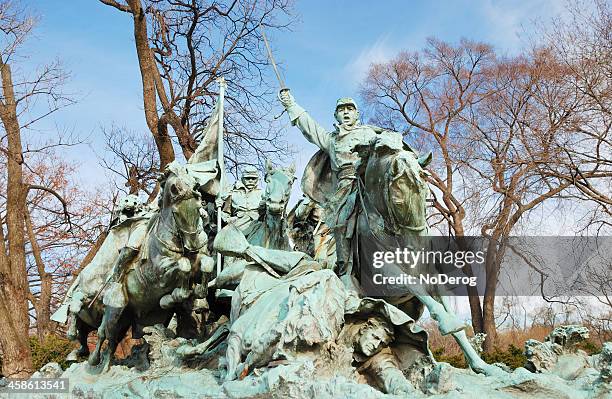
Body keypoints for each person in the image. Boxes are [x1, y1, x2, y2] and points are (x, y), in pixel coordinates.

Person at [279, 90, 396, 286]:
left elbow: (392, 145)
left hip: (370, 182)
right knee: (340, 222)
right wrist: (291, 105)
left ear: (357, 114)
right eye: (341, 110)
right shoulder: (331, 140)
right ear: (336, 115)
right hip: (345, 187)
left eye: (350, 109)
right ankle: (345, 271)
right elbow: (310, 127)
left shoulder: (370, 132)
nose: (346, 112)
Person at [337, 315, 416, 395]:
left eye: (382, 343)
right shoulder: (339, 324)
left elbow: (390, 374)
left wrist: (407, 392)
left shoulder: (380, 355)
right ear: (364, 329)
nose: (376, 346)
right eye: (375, 338)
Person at [221, 165, 263, 232]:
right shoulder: (232, 193)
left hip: (257, 225)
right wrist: (226, 219)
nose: (250, 181)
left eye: (253, 178)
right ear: (242, 179)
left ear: (257, 179)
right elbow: (225, 212)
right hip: (238, 225)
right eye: (247, 178)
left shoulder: (262, 193)